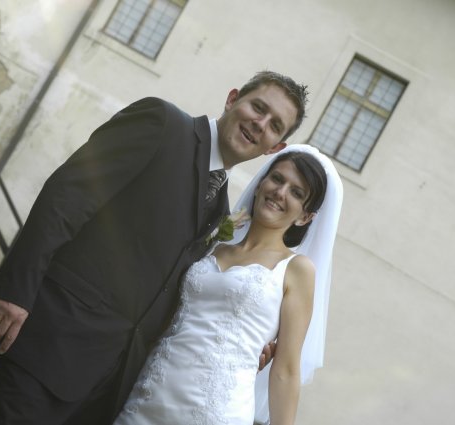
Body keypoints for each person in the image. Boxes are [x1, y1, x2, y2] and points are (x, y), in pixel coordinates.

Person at [0, 71, 308, 425]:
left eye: (274, 125)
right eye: (258, 108)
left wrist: (231, 346)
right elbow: (65, 197)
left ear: (275, 147)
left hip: (110, 386)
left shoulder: (221, 210)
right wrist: (17, 292)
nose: (260, 124)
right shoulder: (162, 124)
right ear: (232, 98)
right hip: (53, 342)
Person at [113, 144, 343, 425]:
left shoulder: (296, 270)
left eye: (296, 193)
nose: (280, 192)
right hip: (149, 394)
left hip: (217, 412)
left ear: (305, 217)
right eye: (277, 179)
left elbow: (285, 370)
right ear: (260, 184)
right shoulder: (214, 246)